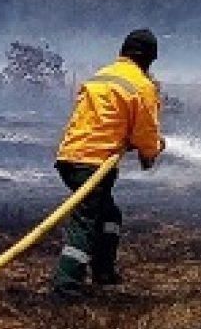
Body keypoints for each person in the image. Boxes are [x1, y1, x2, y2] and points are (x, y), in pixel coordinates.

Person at [51, 28, 165, 296]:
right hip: (93, 164)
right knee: (86, 222)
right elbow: (146, 133)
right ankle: (66, 285)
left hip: (70, 158)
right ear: (149, 59)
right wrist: (151, 152)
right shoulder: (141, 85)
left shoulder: (101, 76)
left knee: (109, 215)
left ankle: (104, 271)